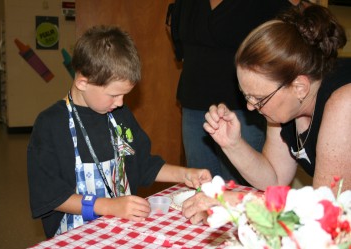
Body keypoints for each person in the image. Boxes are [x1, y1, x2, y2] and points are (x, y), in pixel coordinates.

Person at [27, 25, 212, 238]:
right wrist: (108, 207)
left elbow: (144, 165)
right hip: (76, 234)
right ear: (83, 82)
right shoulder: (51, 125)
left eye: (125, 94)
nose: (121, 102)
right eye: (114, 95)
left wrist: (186, 174)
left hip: (122, 230)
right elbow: (52, 196)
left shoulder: (119, 116)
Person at [182, 4, 351, 225]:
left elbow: (325, 210)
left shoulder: (343, 102)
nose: (251, 107)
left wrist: (235, 200)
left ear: (300, 87)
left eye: (259, 99)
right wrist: (232, 144)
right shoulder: (290, 106)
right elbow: (274, 179)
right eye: (246, 96)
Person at [171, 0, 301, 184]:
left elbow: (286, 36)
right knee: (200, 183)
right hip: (194, 99)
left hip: (242, 107)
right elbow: (178, 35)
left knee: (242, 185)